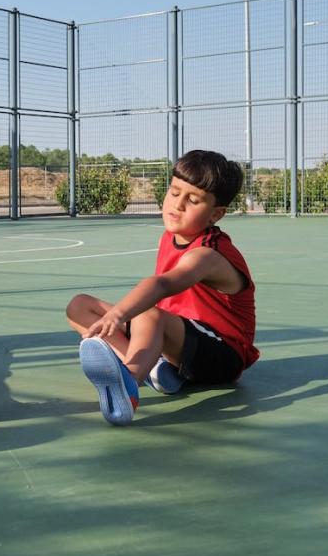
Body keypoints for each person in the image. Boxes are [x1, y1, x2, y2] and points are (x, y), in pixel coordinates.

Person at [65, 150, 258, 426]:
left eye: (192, 200)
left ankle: (129, 385)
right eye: (175, 191)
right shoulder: (170, 236)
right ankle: (158, 368)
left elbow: (162, 284)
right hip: (179, 340)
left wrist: (118, 315)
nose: (177, 204)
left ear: (216, 213)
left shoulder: (208, 254)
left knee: (147, 313)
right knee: (80, 306)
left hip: (223, 354)